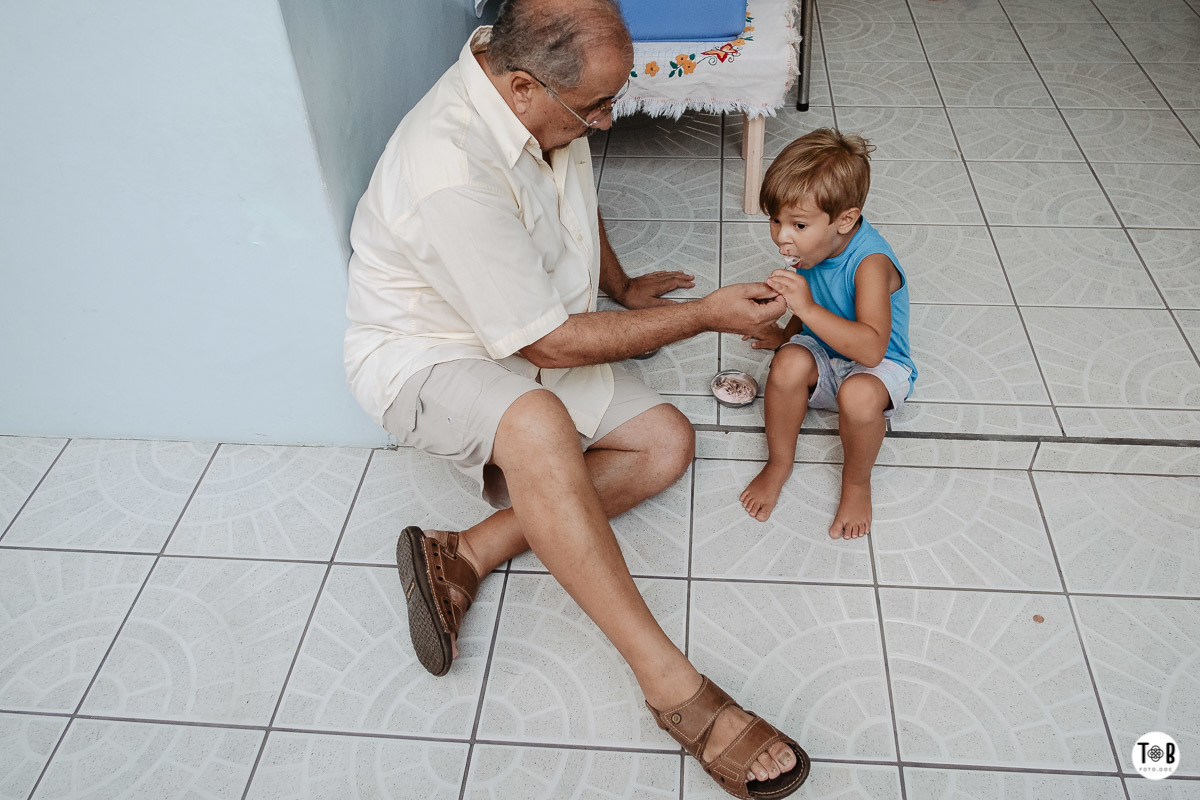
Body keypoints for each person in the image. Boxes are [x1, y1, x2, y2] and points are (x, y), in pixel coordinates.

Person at [343, 0, 810, 796]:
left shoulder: (539, 99)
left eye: (611, 102)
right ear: (522, 86)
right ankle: (671, 685)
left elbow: (570, 201)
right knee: (537, 422)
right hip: (425, 354)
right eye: (594, 108)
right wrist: (698, 317)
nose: (604, 123)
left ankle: (465, 551)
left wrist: (623, 287)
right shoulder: (450, 167)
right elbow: (548, 345)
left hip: (517, 330)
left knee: (664, 443)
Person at [739, 129, 917, 538]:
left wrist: (805, 307)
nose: (783, 236)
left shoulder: (871, 263)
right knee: (785, 365)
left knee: (857, 394)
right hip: (827, 349)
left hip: (878, 364)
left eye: (798, 224)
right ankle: (779, 461)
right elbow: (816, 305)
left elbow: (872, 350)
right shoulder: (813, 246)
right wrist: (787, 333)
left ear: (846, 220)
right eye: (776, 220)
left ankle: (856, 484)